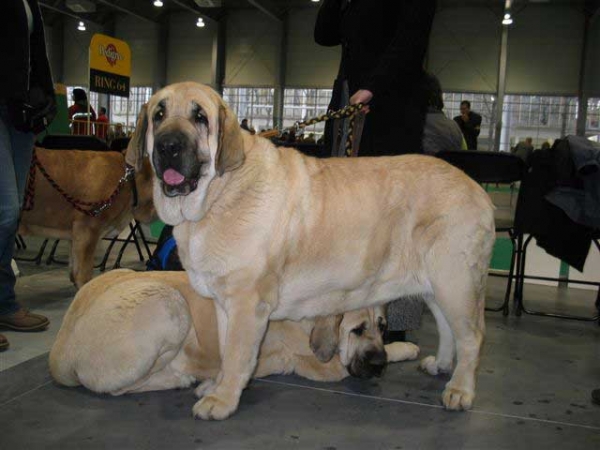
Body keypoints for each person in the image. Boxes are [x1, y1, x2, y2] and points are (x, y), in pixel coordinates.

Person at [0, 0, 56, 351]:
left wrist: (44, 95)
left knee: (12, 211)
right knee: (3, 209)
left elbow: (35, 53)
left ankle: (4, 303)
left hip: (19, 112)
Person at [315, 0, 437, 157]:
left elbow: (412, 38)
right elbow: (324, 35)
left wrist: (372, 87)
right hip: (349, 96)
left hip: (390, 105)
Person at [421, 73, 466, 155]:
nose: (462, 110)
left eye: (464, 108)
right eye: (461, 108)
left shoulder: (404, 125)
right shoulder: (453, 125)